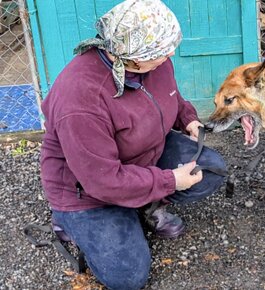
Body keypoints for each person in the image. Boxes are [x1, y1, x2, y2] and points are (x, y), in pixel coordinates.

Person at [39, 0, 220, 289]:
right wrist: (171, 180)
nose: (171, 52)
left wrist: (187, 118)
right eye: (162, 50)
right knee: (128, 277)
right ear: (132, 57)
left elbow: (170, 95)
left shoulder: (152, 59)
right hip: (89, 190)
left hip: (141, 155)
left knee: (210, 170)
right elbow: (103, 180)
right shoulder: (81, 101)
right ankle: (68, 220)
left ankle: (143, 202)